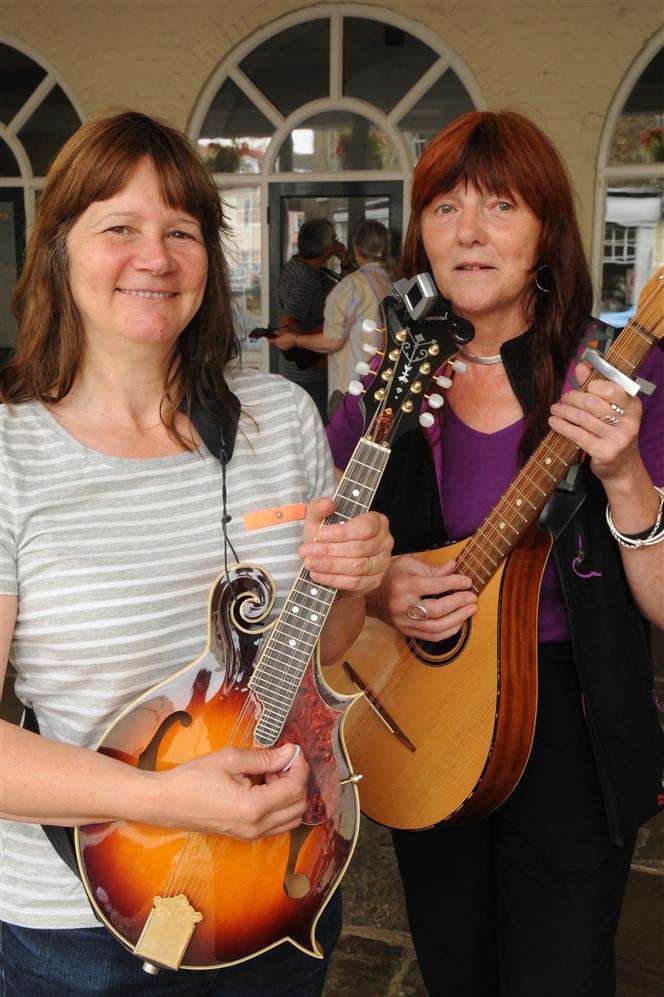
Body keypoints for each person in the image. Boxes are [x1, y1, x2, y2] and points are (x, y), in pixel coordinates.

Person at [0, 110, 393, 997]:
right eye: (120, 228)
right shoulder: (9, 454)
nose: (156, 256)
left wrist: (354, 578)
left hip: (282, 880)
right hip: (85, 929)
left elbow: (325, 652)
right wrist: (170, 798)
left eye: (182, 231)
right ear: (58, 250)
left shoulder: (280, 422)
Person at [326, 110, 664, 996]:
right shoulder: (386, 387)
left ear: (547, 229)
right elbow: (317, 563)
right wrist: (378, 584)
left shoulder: (622, 379)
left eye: (501, 205)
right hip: (424, 705)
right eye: (444, 208)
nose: (469, 233)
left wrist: (625, 473)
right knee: (454, 965)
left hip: (574, 724)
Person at [275, 220, 394, 418]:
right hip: (381, 385)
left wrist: (294, 340)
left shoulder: (351, 285)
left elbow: (333, 340)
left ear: (357, 249)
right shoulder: (393, 281)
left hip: (352, 388)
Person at [274, 218, 352, 419]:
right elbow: (287, 326)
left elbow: (345, 288)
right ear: (326, 248)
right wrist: (318, 342)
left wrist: (344, 261)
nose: (336, 242)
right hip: (309, 376)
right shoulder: (306, 281)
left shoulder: (297, 265)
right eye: (334, 239)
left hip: (299, 373)